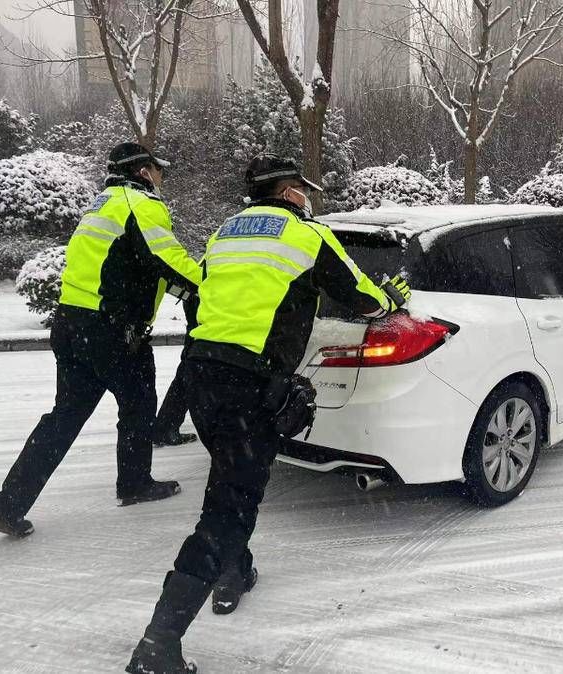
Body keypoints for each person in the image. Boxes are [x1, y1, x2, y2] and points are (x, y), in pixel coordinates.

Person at [126, 155, 411, 674]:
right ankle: (158, 645)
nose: (308, 198)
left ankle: (236, 571)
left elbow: (214, 299)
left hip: (200, 375)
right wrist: (389, 300)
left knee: (228, 478)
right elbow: (360, 296)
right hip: (249, 382)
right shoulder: (308, 236)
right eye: (303, 190)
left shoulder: (225, 233)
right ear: (289, 192)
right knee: (230, 509)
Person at [0, 142, 203, 538]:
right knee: (137, 405)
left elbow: (129, 266)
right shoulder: (141, 204)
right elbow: (169, 260)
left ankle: (8, 502)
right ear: (142, 172)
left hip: (69, 325)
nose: (161, 177)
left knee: (64, 417)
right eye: (158, 169)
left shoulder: (100, 204)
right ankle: (134, 484)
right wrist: (213, 285)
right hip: (112, 330)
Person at [152, 294, 198, 447]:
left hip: (204, 303)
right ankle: (165, 428)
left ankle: (165, 427)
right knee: (191, 368)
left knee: (192, 367)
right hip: (208, 304)